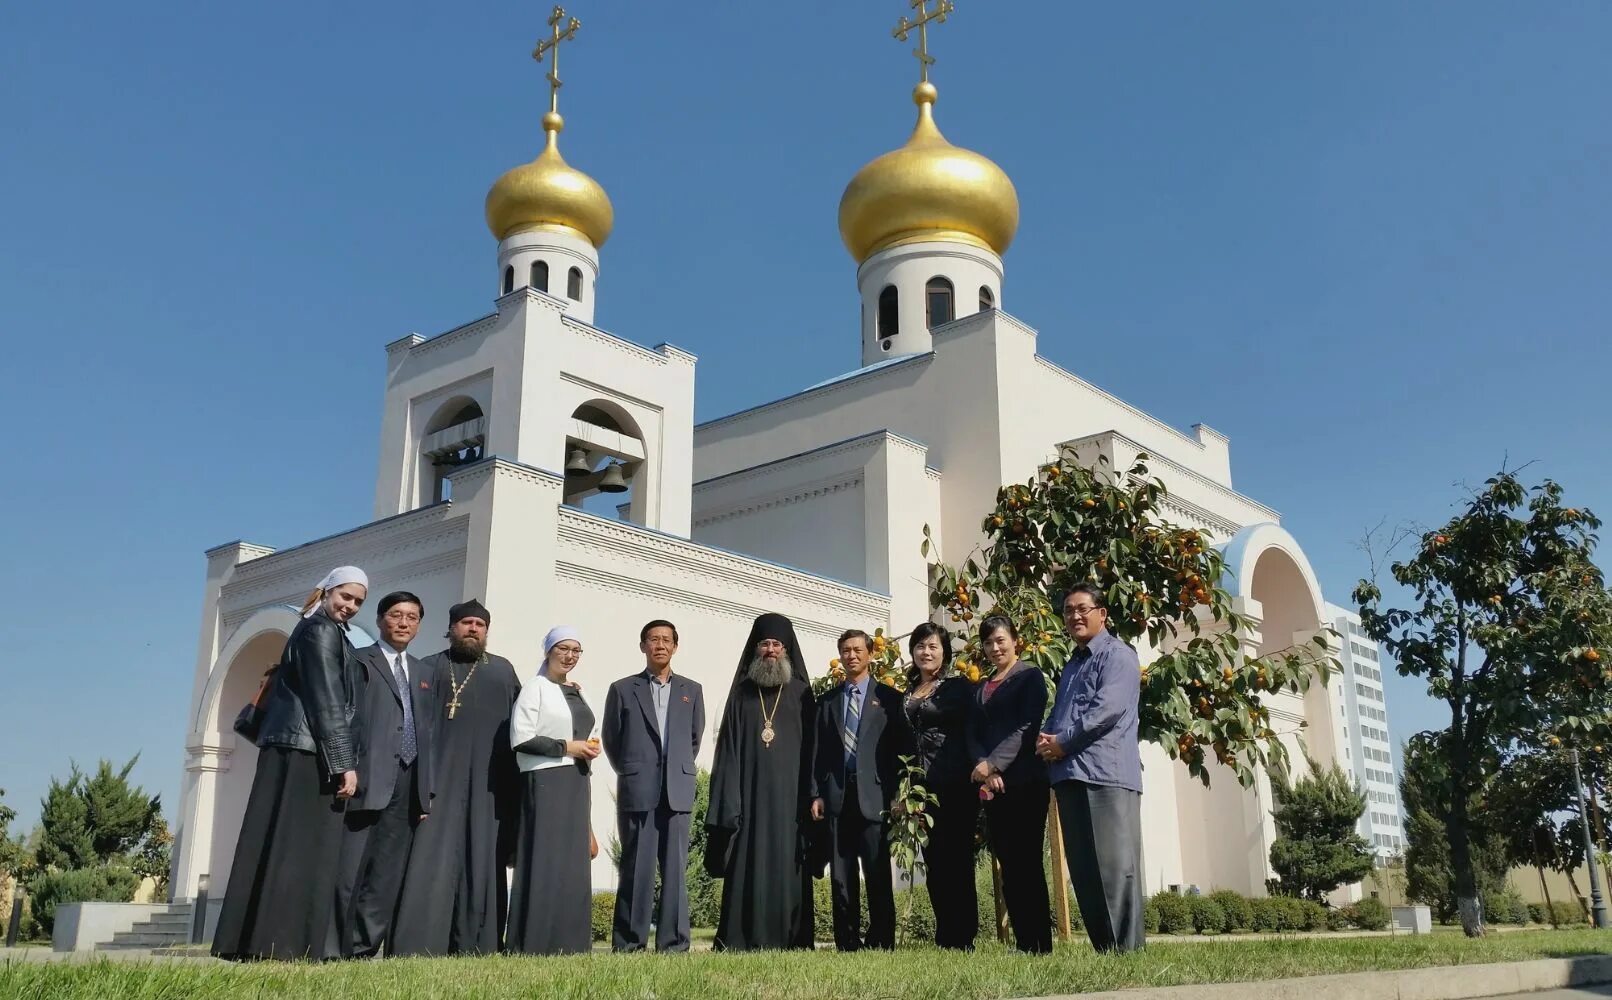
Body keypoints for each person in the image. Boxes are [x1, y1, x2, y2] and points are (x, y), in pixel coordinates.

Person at [213, 566, 368, 961]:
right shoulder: (319, 631)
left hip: (295, 749)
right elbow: (327, 700)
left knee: (281, 845)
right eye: (345, 597)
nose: (350, 606)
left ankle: (268, 943)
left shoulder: (323, 630)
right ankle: (281, 945)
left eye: (357, 601)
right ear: (328, 591)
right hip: (304, 752)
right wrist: (344, 762)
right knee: (297, 851)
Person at [390, 599, 521, 956]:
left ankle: (478, 944)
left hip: (490, 788)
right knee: (430, 859)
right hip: (436, 783)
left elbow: (523, 727)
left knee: (483, 861)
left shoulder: (503, 672)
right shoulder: (428, 668)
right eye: (466, 623)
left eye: (480, 624)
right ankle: (417, 944)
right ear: (451, 629)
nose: (473, 629)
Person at [1038, 584, 1145, 953]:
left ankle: (1128, 952)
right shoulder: (1072, 664)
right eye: (1068, 611)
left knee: (1115, 870)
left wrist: (1061, 742)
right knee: (1085, 871)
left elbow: (1106, 710)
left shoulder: (1119, 655)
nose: (1075, 616)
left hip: (1107, 775)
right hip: (1070, 775)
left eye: (1082, 608)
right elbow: (1060, 712)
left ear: (1103, 613)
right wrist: (1046, 739)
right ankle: (1106, 950)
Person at [704, 612, 819, 951]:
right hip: (748, 800)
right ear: (756, 649)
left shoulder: (801, 694)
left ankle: (792, 939)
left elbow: (814, 750)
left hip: (791, 803)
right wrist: (729, 804)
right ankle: (742, 938)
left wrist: (813, 794)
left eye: (776, 644)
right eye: (765, 644)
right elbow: (727, 751)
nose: (770, 650)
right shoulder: (741, 695)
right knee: (747, 863)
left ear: (787, 650)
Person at [339, 590, 437, 958]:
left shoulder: (425, 672)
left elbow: (429, 733)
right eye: (396, 614)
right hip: (364, 780)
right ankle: (335, 945)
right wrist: (344, 768)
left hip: (408, 785)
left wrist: (425, 791)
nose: (403, 623)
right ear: (381, 620)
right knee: (350, 871)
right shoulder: (358, 661)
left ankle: (364, 949)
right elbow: (346, 719)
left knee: (385, 875)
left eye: (412, 617)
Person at [601, 620, 706, 953]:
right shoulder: (622, 688)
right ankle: (630, 943)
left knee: (674, 871)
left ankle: (673, 943)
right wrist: (634, 770)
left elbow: (694, 738)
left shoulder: (692, 689)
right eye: (653, 639)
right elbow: (611, 738)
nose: (660, 645)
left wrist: (674, 769)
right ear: (642, 645)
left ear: (676, 646)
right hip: (638, 788)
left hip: (676, 789)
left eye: (666, 640)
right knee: (636, 868)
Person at [809, 629, 911, 951]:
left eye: (857, 650)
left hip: (875, 797)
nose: (851, 655)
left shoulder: (891, 700)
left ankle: (881, 941)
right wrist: (815, 793)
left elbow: (901, 752)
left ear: (870, 654)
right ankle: (847, 942)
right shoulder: (826, 703)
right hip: (837, 797)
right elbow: (816, 754)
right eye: (845, 650)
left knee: (878, 871)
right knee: (841, 875)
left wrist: (899, 794)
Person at [506, 626, 600, 954]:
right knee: (544, 859)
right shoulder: (536, 688)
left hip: (576, 781)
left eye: (576, 650)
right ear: (548, 651)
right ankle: (534, 942)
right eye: (563, 648)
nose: (570, 655)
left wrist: (586, 748)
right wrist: (567, 747)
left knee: (572, 865)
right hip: (545, 781)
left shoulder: (576, 691)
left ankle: (570, 943)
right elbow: (521, 739)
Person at [967, 615, 1052, 954]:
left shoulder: (1030, 677)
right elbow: (971, 732)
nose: (994, 648)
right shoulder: (981, 687)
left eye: (1000, 640)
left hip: (1025, 783)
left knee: (1027, 864)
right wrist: (982, 767)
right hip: (993, 787)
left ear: (1016, 641)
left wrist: (994, 763)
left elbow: (1026, 728)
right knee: (1008, 867)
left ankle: (1039, 944)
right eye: (988, 643)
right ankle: (1022, 942)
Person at [902, 622, 980, 950]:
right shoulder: (908, 691)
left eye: (933, 646)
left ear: (944, 651)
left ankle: (964, 936)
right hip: (921, 787)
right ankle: (945, 934)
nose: (926, 652)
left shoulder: (958, 687)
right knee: (933, 860)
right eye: (920, 646)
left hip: (955, 782)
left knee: (957, 859)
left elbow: (973, 730)